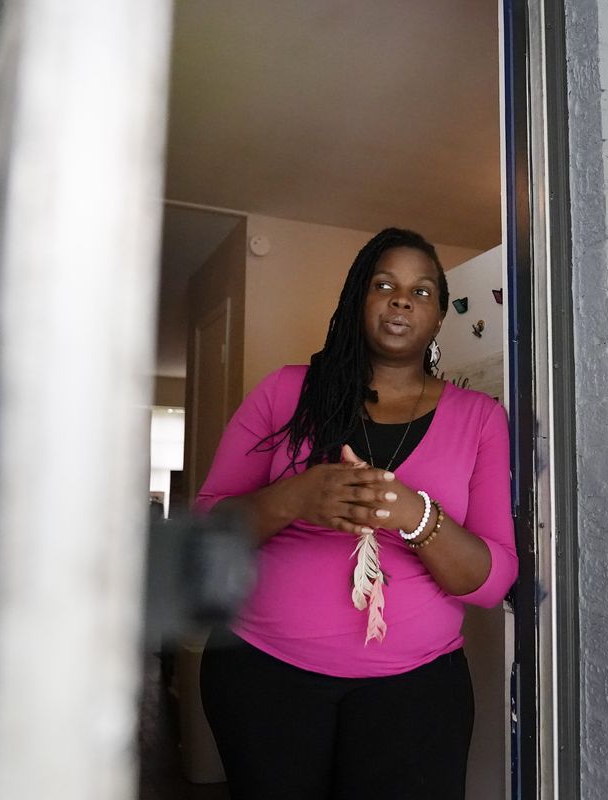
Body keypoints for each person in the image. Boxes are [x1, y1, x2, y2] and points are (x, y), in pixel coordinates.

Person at [193, 227, 518, 799]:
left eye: (421, 292)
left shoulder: (480, 419)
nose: (401, 299)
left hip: (415, 695)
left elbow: (491, 582)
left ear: (440, 316)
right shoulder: (285, 393)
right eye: (384, 284)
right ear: (357, 299)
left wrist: (416, 517)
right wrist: (295, 497)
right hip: (263, 679)